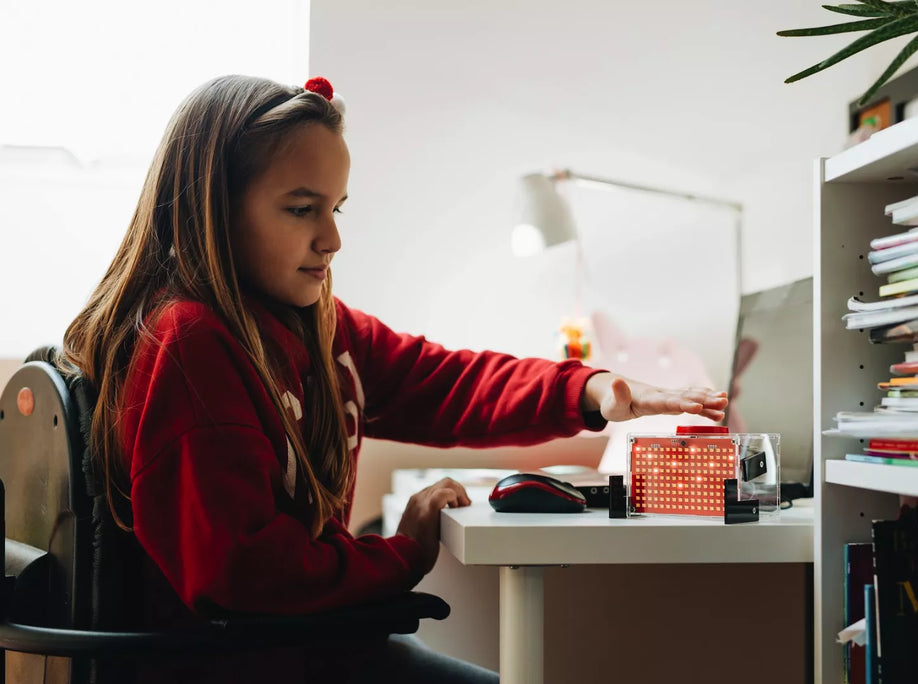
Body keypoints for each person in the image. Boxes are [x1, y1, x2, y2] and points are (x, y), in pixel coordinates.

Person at [61, 74, 728, 683]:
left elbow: (446, 384)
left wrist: (587, 391)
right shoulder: (189, 344)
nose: (332, 239)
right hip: (250, 666)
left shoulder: (318, 327)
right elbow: (243, 572)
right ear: (212, 209)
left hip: (310, 650)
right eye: (301, 209)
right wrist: (402, 551)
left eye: (336, 209)